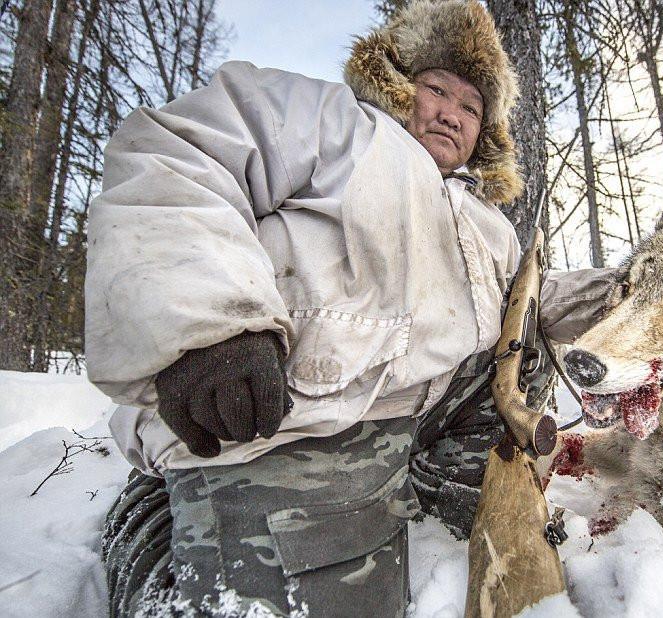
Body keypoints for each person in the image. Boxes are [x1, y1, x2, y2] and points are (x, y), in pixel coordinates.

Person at [90, 1, 612, 616]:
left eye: (471, 107)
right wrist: (211, 326)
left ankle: (435, 498)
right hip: (277, 419)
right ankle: (158, 514)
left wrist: (639, 291)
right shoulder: (331, 120)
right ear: (397, 84)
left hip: (411, 419)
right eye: (436, 89)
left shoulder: (488, 223)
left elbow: (527, 301)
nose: (451, 113)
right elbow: (176, 156)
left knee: (519, 355)